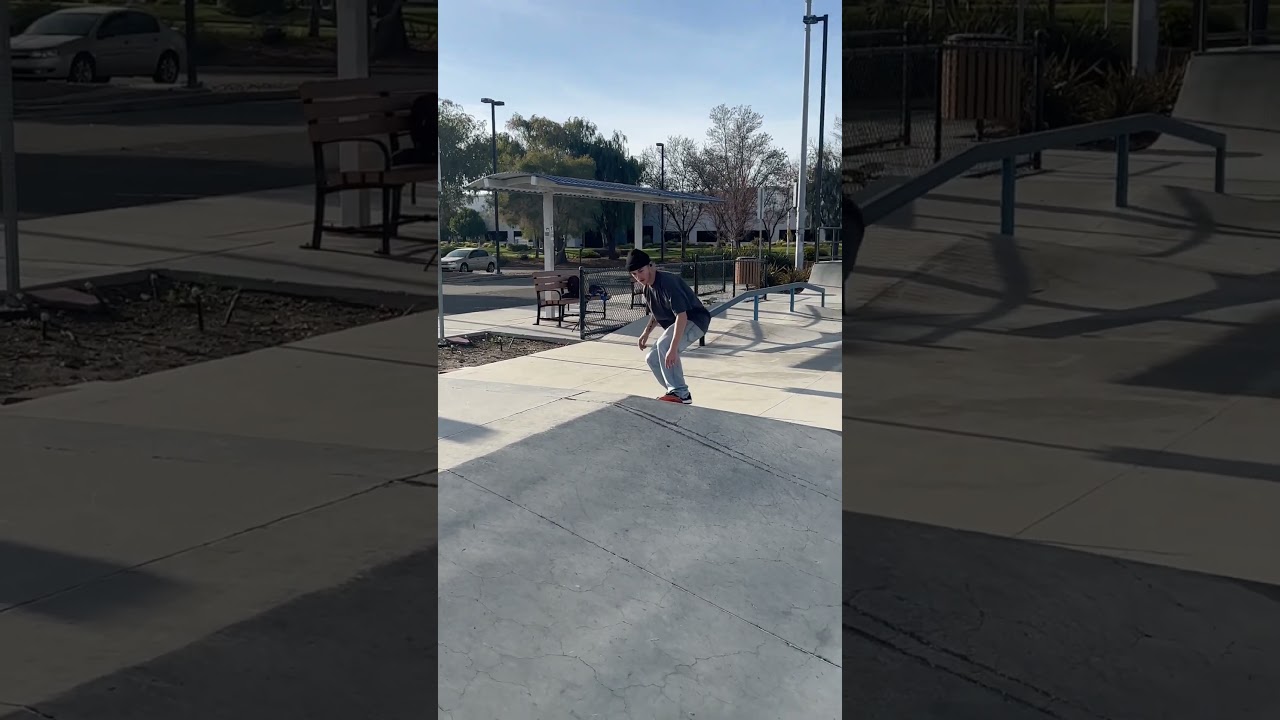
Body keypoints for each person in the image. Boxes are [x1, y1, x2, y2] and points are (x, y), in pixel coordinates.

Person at [628, 249, 712, 404]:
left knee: (664, 346)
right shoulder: (647, 290)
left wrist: (673, 349)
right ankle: (672, 392)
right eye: (634, 274)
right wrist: (646, 333)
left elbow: (682, 315)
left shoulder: (668, 282)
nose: (639, 277)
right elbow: (656, 312)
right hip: (680, 322)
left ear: (650, 266)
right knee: (651, 359)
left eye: (641, 271)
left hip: (695, 320)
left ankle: (681, 393)